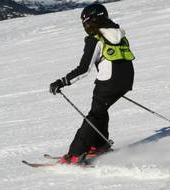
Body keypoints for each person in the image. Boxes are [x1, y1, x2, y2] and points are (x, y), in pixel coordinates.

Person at [49, 3, 135, 164]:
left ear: (98, 20)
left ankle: (75, 154)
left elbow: (84, 68)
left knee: (94, 116)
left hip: (108, 82)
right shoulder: (119, 34)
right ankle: (99, 144)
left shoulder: (95, 39)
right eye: (85, 24)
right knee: (100, 110)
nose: (88, 27)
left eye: (89, 23)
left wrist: (62, 82)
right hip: (126, 81)